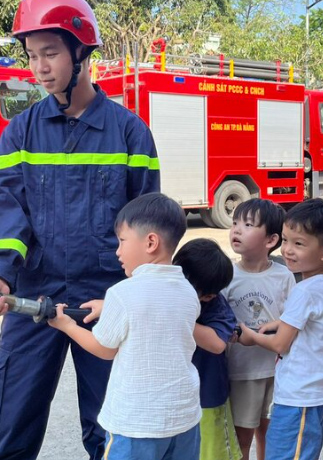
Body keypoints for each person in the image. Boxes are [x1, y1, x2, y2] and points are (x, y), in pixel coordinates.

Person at [0, 0, 160, 460]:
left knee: (113, 424)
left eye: (50, 53)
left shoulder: (130, 132)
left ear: (81, 52)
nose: (39, 67)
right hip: (33, 294)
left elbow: (149, 225)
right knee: (8, 420)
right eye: (32, 55)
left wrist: (138, 296)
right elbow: (1, 203)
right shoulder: (21, 130)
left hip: (107, 297)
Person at [47, 193, 201, 460]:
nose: (117, 251)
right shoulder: (188, 290)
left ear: (151, 242)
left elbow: (105, 349)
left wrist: (67, 325)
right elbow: (155, 311)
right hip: (183, 419)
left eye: (122, 241)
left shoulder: (122, 293)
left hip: (136, 425)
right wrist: (108, 306)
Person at [236, 198, 323, 460]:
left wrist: (248, 335)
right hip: (311, 394)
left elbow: (279, 345)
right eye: (285, 240)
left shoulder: (304, 291)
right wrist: (278, 323)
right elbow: (314, 321)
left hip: (299, 397)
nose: (288, 250)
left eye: (299, 244)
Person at [221, 198, 294, 460]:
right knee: (243, 436)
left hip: (277, 370)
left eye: (248, 225)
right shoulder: (227, 275)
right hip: (242, 372)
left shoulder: (283, 276)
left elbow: (291, 320)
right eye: (235, 223)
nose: (237, 230)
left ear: (271, 240)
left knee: (270, 432)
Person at [173, 239, 242, 460]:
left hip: (207, 397)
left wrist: (174, 315)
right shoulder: (166, 291)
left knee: (213, 453)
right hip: (174, 397)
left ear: (208, 295)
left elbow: (216, 343)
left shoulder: (215, 306)